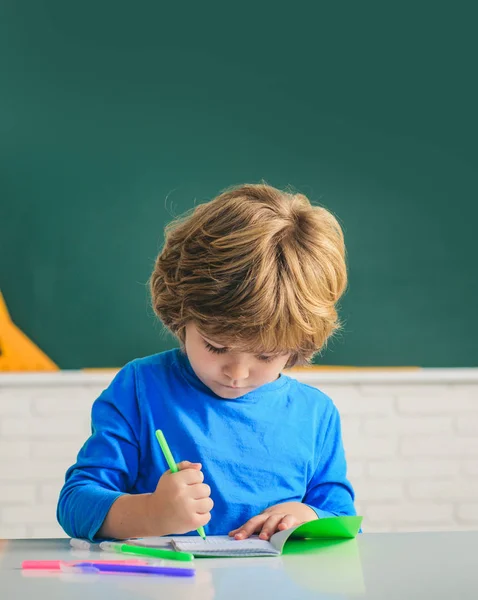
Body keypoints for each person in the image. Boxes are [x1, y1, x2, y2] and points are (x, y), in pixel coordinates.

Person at [57, 183, 356, 542]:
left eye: (265, 355)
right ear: (181, 316)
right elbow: (76, 504)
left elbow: (341, 517)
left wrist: (306, 515)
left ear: (297, 345)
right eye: (216, 347)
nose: (237, 373)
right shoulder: (140, 388)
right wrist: (151, 514)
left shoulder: (316, 414)